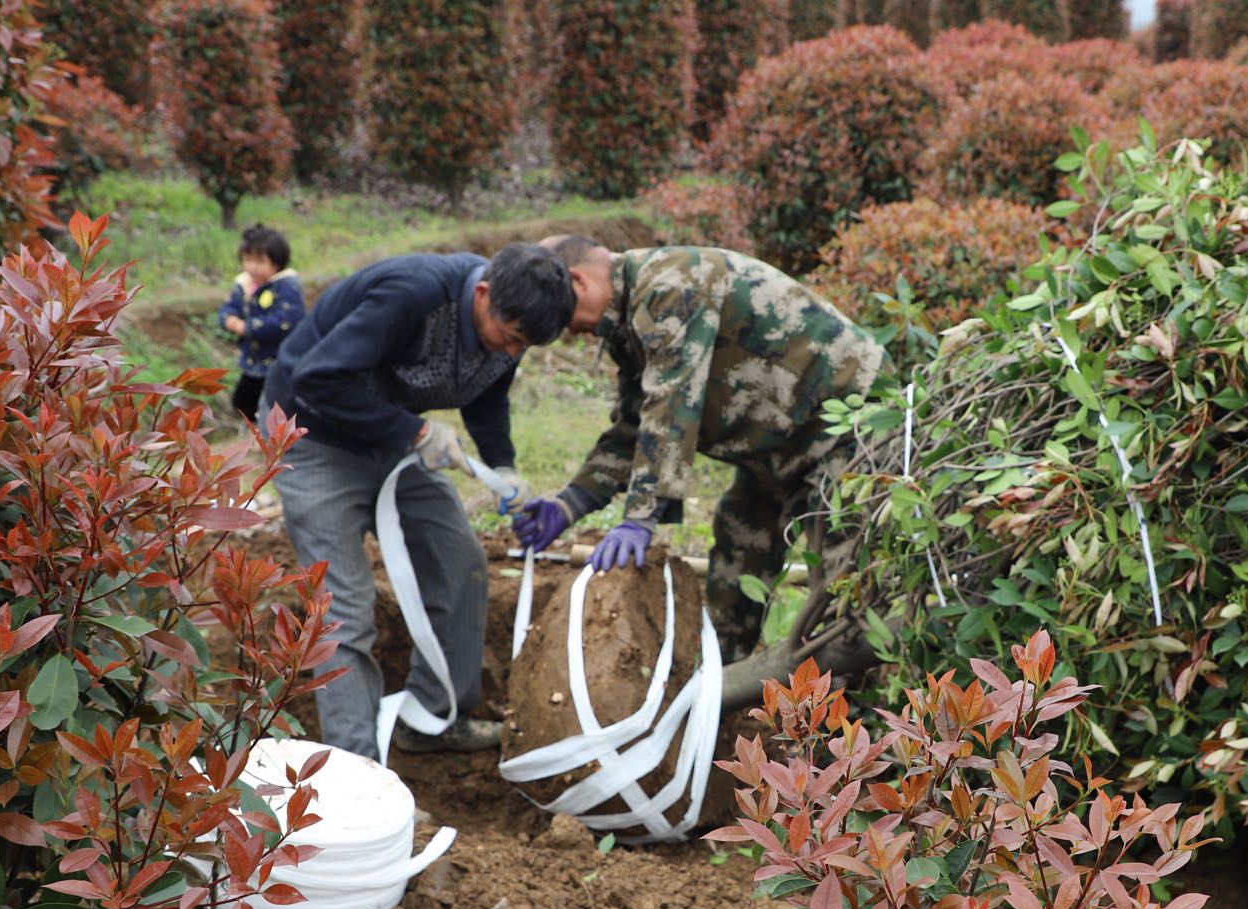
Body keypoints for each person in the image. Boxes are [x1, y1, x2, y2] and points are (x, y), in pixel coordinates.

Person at [263, 243, 574, 760]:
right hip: (311, 434)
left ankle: (432, 719)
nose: (512, 353)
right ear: (482, 294)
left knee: (461, 562)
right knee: (343, 610)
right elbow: (316, 376)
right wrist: (416, 430)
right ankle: (354, 772)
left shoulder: (505, 335)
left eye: (524, 347)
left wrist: (502, 465)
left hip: (393, 437)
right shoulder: (412, 295)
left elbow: (489, 394)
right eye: (511, 338)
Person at [518, 236, 884, 659]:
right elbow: (636, 423)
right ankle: (723, 693)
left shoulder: (669, 283)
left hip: (845, 426)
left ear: (579, 281)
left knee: (840, 587)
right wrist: (570, 502)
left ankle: (852, 716)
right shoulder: (626, 319)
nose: (571, 331)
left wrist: (640, 518)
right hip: (776, 446)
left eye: (565, 319)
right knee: (737, 557)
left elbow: (671, 407)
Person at [217, 225, 305, 424]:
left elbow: (286, 320)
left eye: (260, 261)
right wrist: (228, 319)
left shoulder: (287, 287)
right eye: (248, 260)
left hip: (280, 360)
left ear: (277, 262)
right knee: (243, 402)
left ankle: (276, 441)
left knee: (278, 406)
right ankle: (259, 437)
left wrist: (247, 327)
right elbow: (228, 307)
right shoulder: (244, 285)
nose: (252, 267)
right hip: (253, 361)